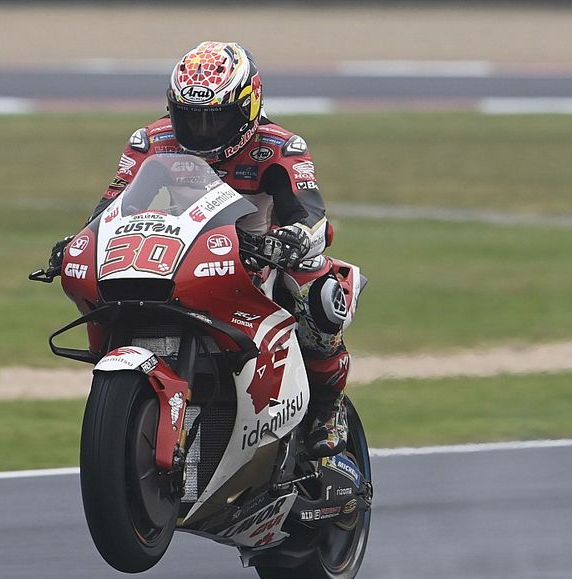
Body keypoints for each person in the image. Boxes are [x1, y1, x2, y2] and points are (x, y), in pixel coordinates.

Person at [48, 41, 357, 459]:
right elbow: (114, 204)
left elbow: (309, 212)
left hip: (258, 261)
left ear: (249, 108)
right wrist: (80, 242)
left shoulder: (282, 147)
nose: (203, 131)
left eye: (217, 118)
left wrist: (297, 236)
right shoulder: (151, 141)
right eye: (191, 119)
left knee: (319, 291)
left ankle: (327, 408)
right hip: (184, 255)